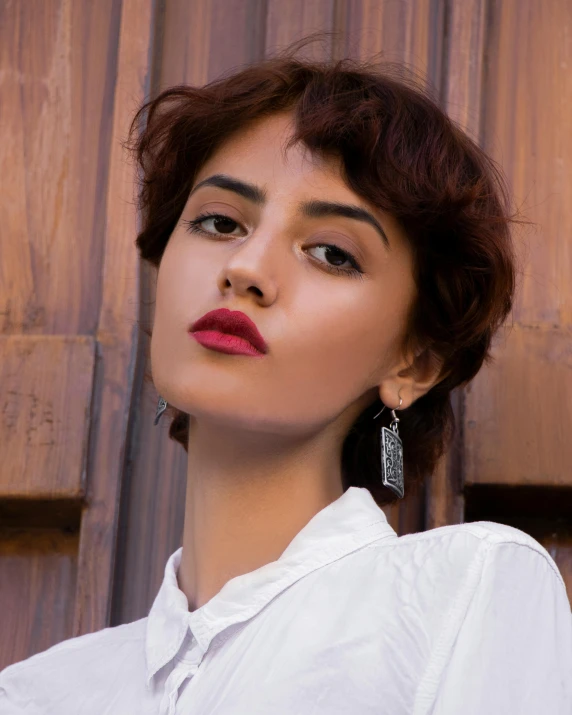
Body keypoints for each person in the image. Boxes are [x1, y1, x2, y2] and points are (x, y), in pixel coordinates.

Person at [1, 44, 571, 715]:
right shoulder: (37, 692)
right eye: (220, 221)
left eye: (331, 253)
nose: (246, 267)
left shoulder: (465, 590)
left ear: (411, 363)